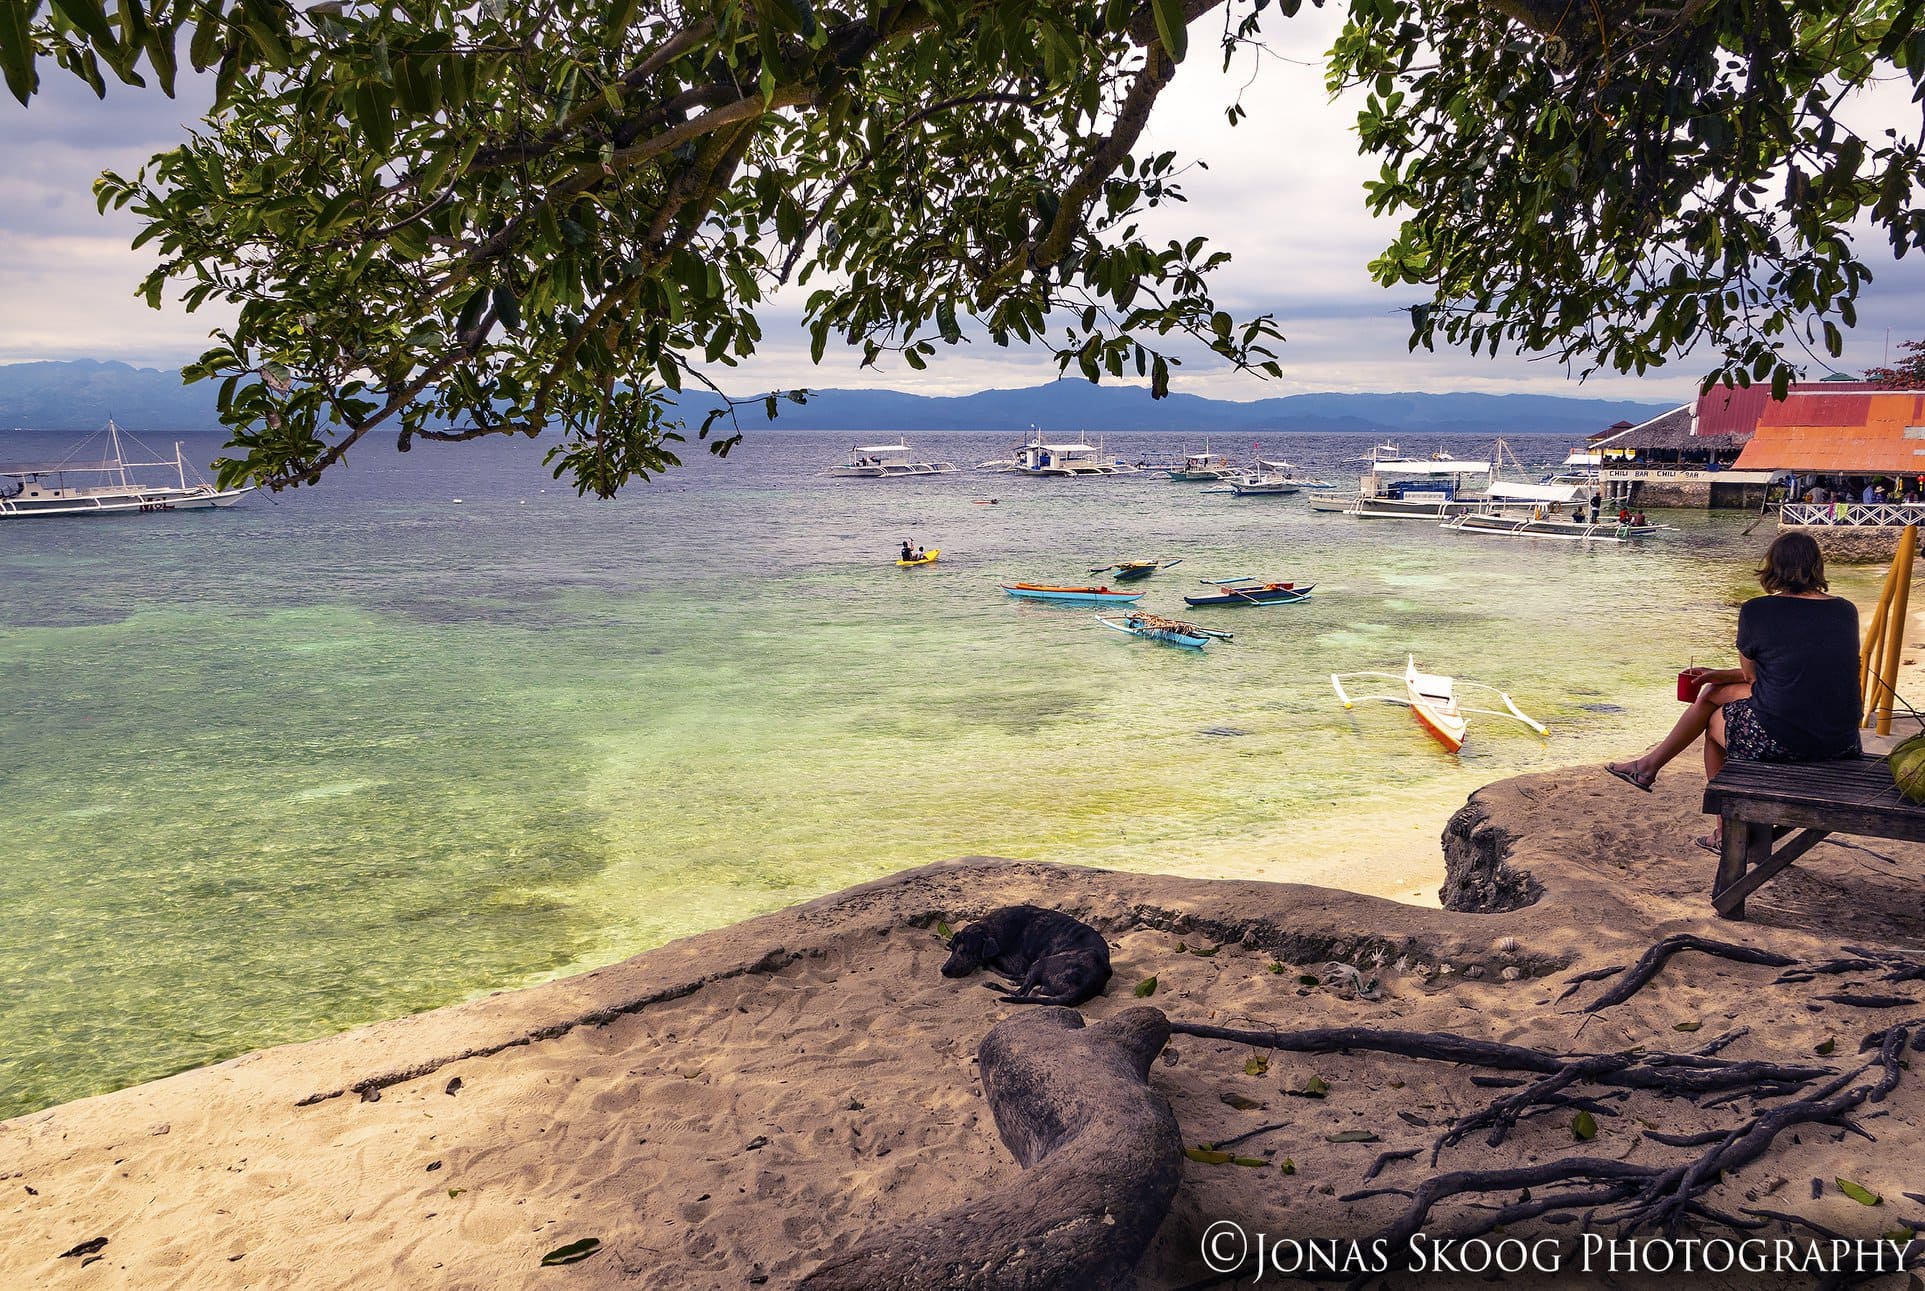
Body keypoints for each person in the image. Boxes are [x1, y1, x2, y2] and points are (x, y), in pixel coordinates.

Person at [1605, 532, 1861, 853]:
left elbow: (1755, 679)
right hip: (1841, 742)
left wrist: (1721, 679)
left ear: (1773, 567)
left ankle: (1723, 832)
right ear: (1816, 566)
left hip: (1786, 742)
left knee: (1714, 727)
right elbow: (1795, 670)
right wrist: (1718, 676)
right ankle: (1647, 767)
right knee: (1712, 690)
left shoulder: (1757, 610)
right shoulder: (1845, 610)